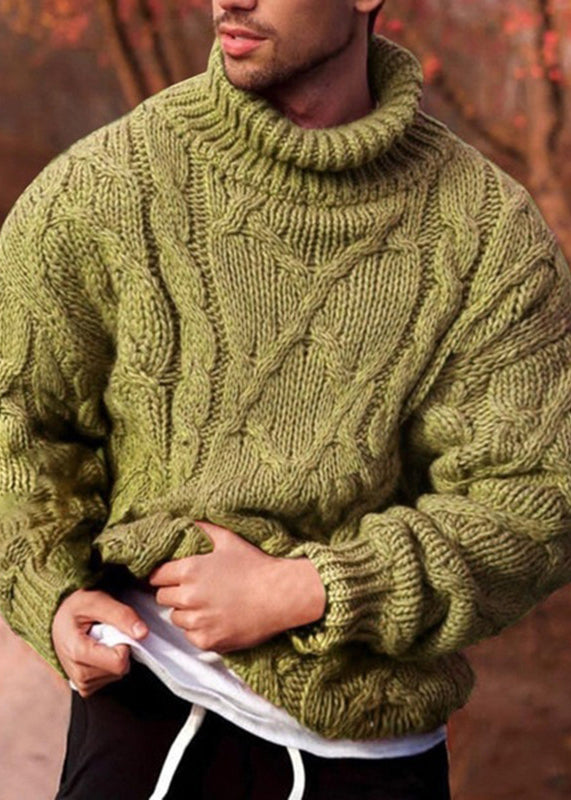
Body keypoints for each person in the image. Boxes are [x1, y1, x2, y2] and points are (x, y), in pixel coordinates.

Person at [1, 0, 570, 798]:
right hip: (146, 722)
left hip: (375, 761)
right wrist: (50, 594)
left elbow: (536, 499)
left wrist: (310, 588)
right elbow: (19, 417)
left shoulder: (486, 234)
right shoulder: (106, 187)